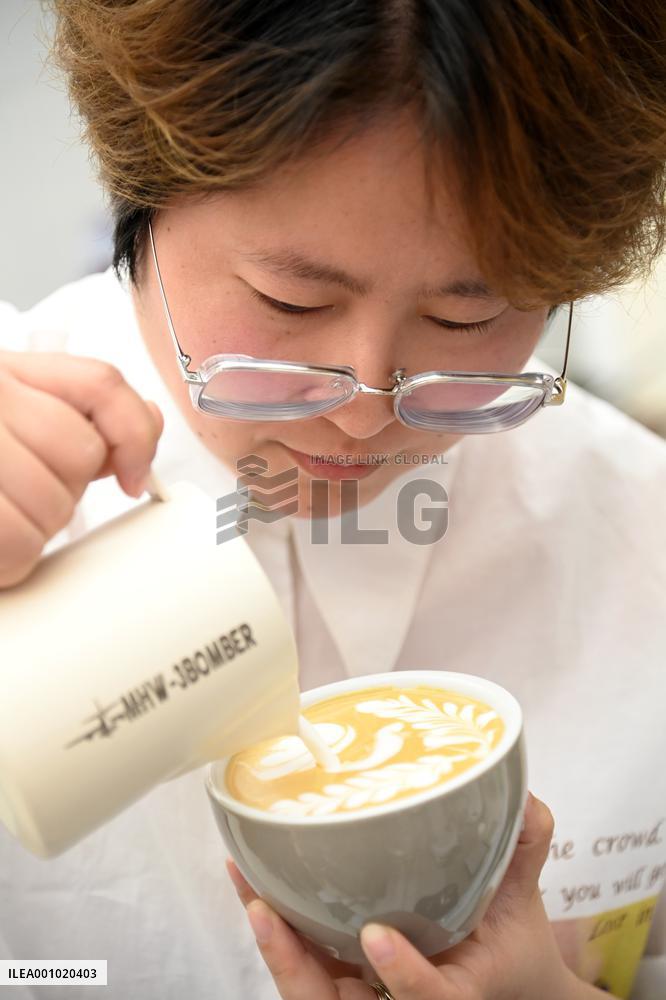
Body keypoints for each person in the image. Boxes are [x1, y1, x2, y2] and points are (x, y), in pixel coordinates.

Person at [0, 1, 664, 998]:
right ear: (143, 181)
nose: (366, 410)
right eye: (291, 302)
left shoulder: (637, 534)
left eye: (465, 315)